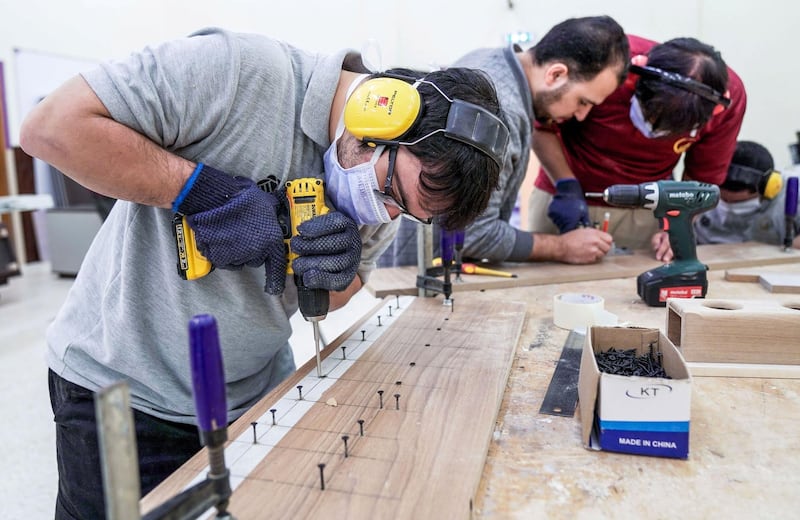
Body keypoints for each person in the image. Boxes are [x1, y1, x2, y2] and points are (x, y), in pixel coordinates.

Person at [19, 27, 507, 518]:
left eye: (406, 211)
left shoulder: (386, 192)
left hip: (254, 393)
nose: (387, 212)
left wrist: (333, 276)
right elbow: (50, 128)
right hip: (123, 391)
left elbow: (347, 286)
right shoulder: (236, 71)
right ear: (380, 115)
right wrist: (197, 190)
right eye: (391, 195)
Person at [379, 15, 629, 268]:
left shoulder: (490, 60)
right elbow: (474, 235)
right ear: (555, 74)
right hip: (417, 270)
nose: (581, 115)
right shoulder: (500, 113)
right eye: (583, 102)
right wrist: (562, 247)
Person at [528, 35, 747, 262]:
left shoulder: (729, 102)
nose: (651, 133)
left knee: (630, 289)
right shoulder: (604, 59)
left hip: (645, 209)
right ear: (633, 77)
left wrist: (680, 220)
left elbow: (702, 178)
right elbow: (542, 125)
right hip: (562, 192)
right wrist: (565, 185)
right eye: (648, 116)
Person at [695, 140, 800, 248]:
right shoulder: (700, 191)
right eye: (723, 199)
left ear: (769, 187)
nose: (728, 206)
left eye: (737, 202)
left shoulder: (792, 194)